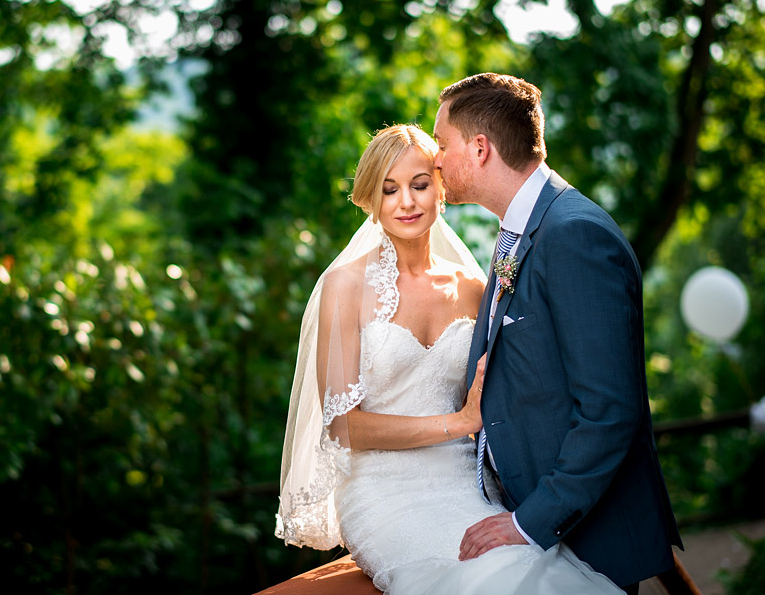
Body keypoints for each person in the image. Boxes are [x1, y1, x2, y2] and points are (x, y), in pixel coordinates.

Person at [275, 124, 623, 594]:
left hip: (466, 484)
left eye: (420, 185)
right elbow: (344, 428)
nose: (407, 202)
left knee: (535, 571)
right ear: (371, 200)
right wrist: (458, 423)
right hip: (383, 491)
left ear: (441, 188)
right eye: (389, 189)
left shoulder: (474, 288)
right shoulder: (345, 287)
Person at [432, 73, 683, 594]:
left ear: (479, 149)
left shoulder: (574, 235)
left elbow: (610, 410)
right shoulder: (520, 232)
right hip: (527, 523)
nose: (435, 159)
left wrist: (529, 522)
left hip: (583, 537)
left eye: (441, 143)